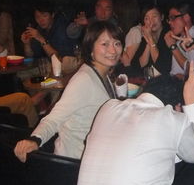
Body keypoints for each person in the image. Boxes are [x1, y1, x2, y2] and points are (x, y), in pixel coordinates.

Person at [13, 21, 122, 161]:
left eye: (117, 43)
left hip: (95, 155)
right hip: (75, 161)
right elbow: (55, 118)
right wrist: (34, 140)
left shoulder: (103, 74)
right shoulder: (84, 79)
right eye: (104, 44)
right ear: (90, 48)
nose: (113, 50)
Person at [120, 5, 172, 78]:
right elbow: (139, 65)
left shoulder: (168, 35)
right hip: (148, 79)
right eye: (147, 18)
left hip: (166, 80)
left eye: (154, 16)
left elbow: (161, 66)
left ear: (162, 17)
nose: (151, 21)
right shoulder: (145, 37)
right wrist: (148, 42)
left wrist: (150, 39)